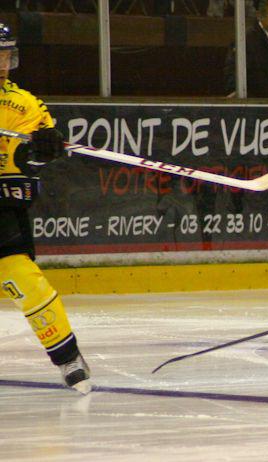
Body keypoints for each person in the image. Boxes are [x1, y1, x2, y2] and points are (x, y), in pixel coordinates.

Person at [0, 23, 91, 393]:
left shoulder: (23, 104)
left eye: (6, 55)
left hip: (3, 212)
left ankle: (68, 357)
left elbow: (33, 155)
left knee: (25, 281)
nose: (2, 64)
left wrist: (43, 148)